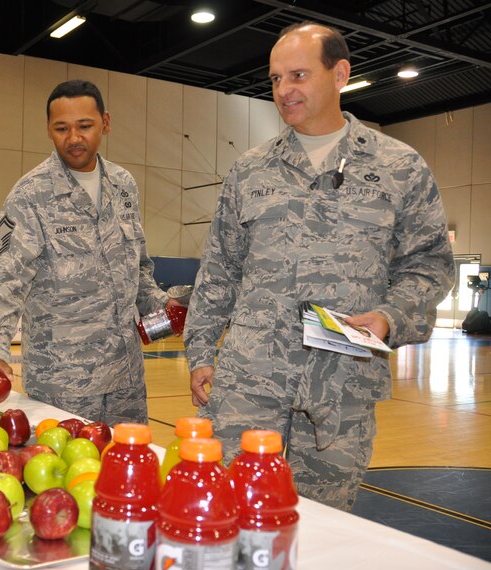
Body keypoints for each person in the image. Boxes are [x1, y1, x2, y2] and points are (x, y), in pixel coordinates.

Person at [184, 22, 455, 511]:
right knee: (230, 511)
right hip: (249, 382)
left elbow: (429, 265)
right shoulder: (250, 170)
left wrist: (390, 317)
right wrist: (201, 351)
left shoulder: (399, 167)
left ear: (340, 74)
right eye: (275, 79)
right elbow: (219, 270)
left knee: (324, 523)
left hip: (342, 385)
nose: (284, 90)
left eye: (299, 75)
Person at [0, 80, 172, 424]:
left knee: (127, 460)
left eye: (84, 126)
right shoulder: (30, 195)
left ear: (105, 123)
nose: (74, 138)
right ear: (48, 129)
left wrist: (164, 306)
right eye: (62, 128)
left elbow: (138, 271)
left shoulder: (123, 185)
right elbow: (1, 283)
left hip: (127, 381)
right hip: (63, 385)